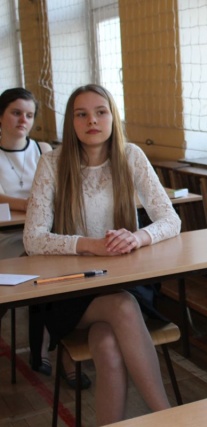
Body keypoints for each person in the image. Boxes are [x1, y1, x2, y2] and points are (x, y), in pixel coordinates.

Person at [23, 84, 181, 425]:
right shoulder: (51, 162)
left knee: (107, 346)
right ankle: (170, 418)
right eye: (81, 114)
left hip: (125, 280)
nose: (92, 121)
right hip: (70, 289)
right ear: (71, 122)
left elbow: (171, 220)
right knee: (121, 306)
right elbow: (33, 239)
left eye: (100, 112)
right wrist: (88, 244)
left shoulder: (130, 155)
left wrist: (137, 237)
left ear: (113, 117)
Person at [0, 87, 54, 376]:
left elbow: (53, 190)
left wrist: (36, 203)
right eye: (16, 113)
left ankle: (43, 349)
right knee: (31, 271)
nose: (24, 120)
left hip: (40, 230)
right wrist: (31, 202)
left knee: (47, 277)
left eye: (29, 115)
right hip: (6, 236)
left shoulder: (42, 149)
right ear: (1, 116)